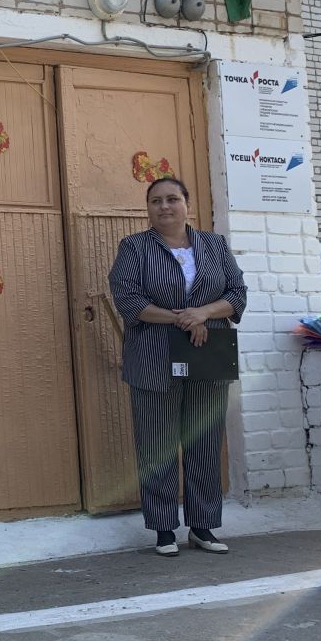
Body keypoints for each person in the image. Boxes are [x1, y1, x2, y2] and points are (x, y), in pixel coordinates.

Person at [108, 176, 247, 557]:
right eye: (156, 201)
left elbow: (237, 294)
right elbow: (129, 300)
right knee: (157, 445)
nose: (164, 206)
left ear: (187, 204)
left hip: (207, 356)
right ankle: (164, 529)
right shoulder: (134, 248)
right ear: (148, 208)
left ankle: (202, 527)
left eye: (172, 199)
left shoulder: (215, 245)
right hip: (153, 358)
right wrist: (184, 319)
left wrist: (204, 312)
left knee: (205, 443)